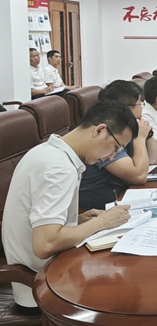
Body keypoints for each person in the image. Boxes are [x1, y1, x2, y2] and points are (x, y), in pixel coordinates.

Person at [2, 100, 135, 311]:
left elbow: (37, 220)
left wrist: (79, 220)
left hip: (50, 271)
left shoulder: (47, 151)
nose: (111, 156)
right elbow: (45, 244)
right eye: (116, 147)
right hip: (41, 287)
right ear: (100, 131)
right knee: (126, 290)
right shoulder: (60, 168)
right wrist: (102, 222)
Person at [79, 80, 157, 211]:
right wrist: (140, 138)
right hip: (100, 209)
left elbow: (153, 160)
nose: (142, 108)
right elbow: (139, 176)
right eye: (140, 104)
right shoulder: (106, 133)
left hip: (120, 198)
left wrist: (147, 133)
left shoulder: (126, 128)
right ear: (127, 109)